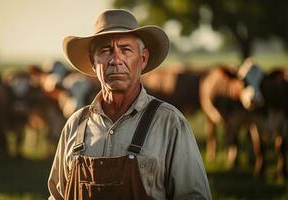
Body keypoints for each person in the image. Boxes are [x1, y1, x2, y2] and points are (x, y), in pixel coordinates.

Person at [48, 9, 212, 200]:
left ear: (143, 59)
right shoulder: (75, 125)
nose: (115, 60)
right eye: (105, 50)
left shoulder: (170, 123)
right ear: (93, 63)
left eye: (125, 49)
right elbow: (57, 196)